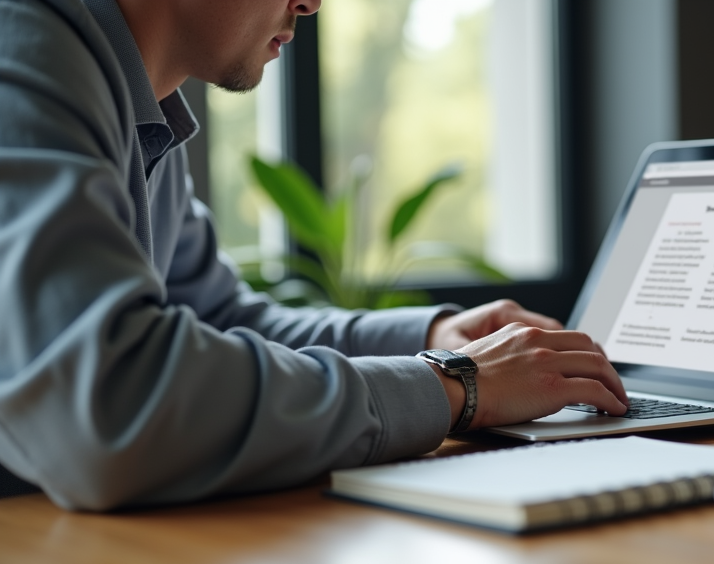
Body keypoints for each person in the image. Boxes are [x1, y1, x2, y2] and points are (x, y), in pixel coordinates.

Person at [0, 0, 628, 511]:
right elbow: (110, 406)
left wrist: (432, 334)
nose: (312, 3)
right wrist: (457, 384)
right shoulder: (24, 52)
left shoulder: (138, 108)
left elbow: (221, 320)